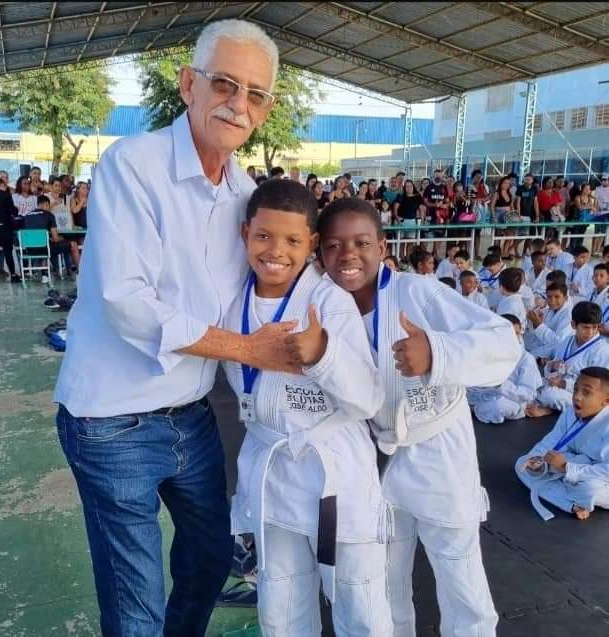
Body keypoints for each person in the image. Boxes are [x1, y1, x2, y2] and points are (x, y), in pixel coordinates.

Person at [54, 20, 314, 637]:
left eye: (255, 94)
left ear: (266, 109)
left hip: (190, 416)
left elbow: (271, 279)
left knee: (210, 559)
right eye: (224, 84)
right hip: (112, 420)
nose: (238, 104)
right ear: (188, 84)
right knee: (136, 606)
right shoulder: (134, 166)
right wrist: (248, 350)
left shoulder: (245, 194)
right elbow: (126, 301)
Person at [317, 197, 520, 637]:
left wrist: (437, 352)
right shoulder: (326, 307)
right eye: (333, 245)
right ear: (320, 254)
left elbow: (504, 341)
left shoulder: (417, 292)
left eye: (361, 243)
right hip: (374, 458)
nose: (348, 254)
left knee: (459, 574)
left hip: (437, 451)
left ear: (382, 246)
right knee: (384, 579)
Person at [223, 181, 391, 636]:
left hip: (334, 473)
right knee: (281, 604)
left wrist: (323, 354)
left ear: (311, 243)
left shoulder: (327, 301)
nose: (276, 251)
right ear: (245, 234)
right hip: (273, 472)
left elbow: (368, 398)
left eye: (293, 240)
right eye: (263, 236)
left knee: (360, 606)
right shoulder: (233, 297)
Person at [515, 367, 609, 521]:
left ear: (606, 401)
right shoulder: (570, 413)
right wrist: (536, 459)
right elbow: (552, 441)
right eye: (576, 389)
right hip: (573, 464)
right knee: (522, 464)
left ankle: (570, 496)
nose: (577, 397)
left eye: (586, 392)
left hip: (597, 477)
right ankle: (571, 504)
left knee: (590, 490)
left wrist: (566, 468)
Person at [526, 302, 609, 417]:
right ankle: (548, 406)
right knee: (531, 383)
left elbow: (598, 386)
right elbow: (551, 368)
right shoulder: (567, 341)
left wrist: (564, 384)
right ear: (573, 325)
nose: (590, 332)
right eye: (585, 327)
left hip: (584, 394)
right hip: (557, 385)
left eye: (594, 327)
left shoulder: (602, 350)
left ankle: (550, 409)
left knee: (549, 395)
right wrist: (552, 367)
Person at [468, 314, 542, 423]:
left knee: (498, 406)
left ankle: (520, 411)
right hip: (483, 396)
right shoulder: (489, 352)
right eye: (509, 334)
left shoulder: (526, 359)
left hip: (510, 400)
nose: (514, 338)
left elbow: (528, 394)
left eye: (517, 333)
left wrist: (501, 384)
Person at [22, 195, 74, 278]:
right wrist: (63, 238)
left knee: (49, 243)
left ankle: (46, 272)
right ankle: (72, 271)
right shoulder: (49, 215)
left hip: (29, 249)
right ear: (46, 204)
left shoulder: (27, 216)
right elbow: (56, 238)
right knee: (70, 244)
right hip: (45, 249)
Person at [524, 283, 574, 359]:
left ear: (566, 298)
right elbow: (539, 335)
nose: (552, 300)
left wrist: (538, 324)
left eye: (557, 297)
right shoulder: (548, 310)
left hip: (556, 355)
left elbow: (558, 342)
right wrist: (534, 323)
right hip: (540, 349)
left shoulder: (569, 315)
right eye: (549, 297)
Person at [393, 179, 424, 261]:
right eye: (407, 186)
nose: (409, 188)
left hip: (412, 222)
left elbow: (422, 209)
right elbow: (395, 209)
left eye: (410, 186)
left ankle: (408, 259)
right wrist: (397, 218)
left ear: (413, 187)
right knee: (401, 242)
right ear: (404, 188)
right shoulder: (400, 196)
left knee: (410, 242)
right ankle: (402, 259)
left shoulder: (418, 197)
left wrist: (421, 221)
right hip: (401, 221)